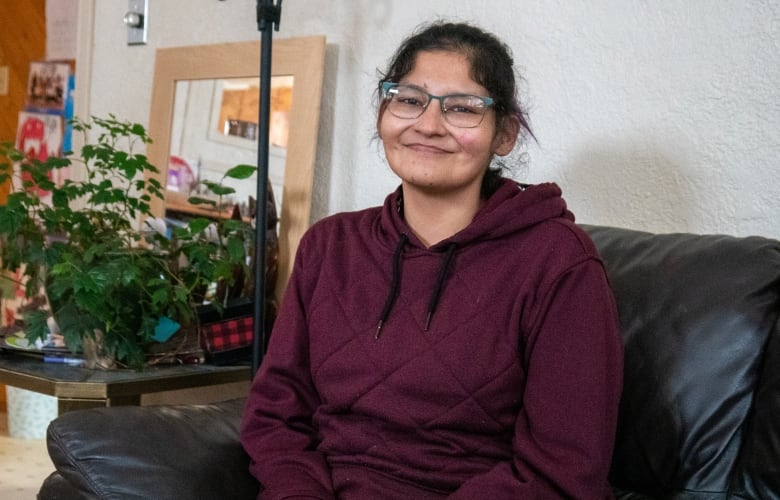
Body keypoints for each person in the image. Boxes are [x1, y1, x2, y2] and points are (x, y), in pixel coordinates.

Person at [241, 20, 623, 499]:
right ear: (383, 111)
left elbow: (562, 470)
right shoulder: (329, 246)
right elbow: (277, 414)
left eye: (462, 108)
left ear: (504, 133)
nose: (427, 124)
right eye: (407, 99)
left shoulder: (558, 264)